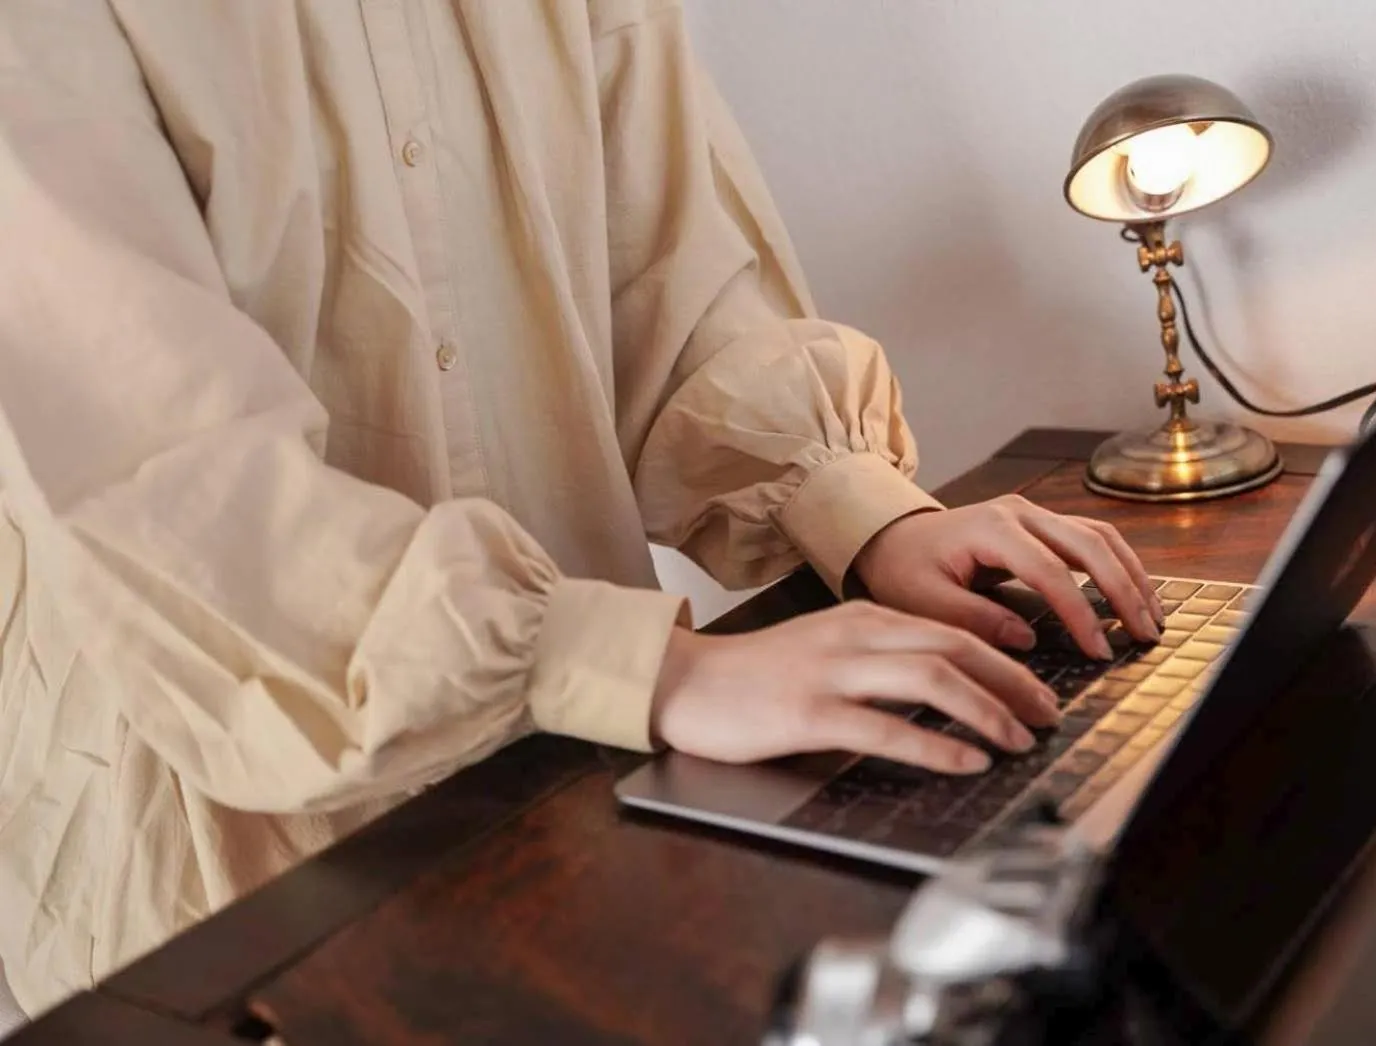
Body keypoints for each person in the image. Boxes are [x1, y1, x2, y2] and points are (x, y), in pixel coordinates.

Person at [0, 0, 1163, 1019]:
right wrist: (655, 672)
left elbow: (668, 276)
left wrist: (863, 508)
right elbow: (165, 467)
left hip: (575, 765)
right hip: (222, 799)